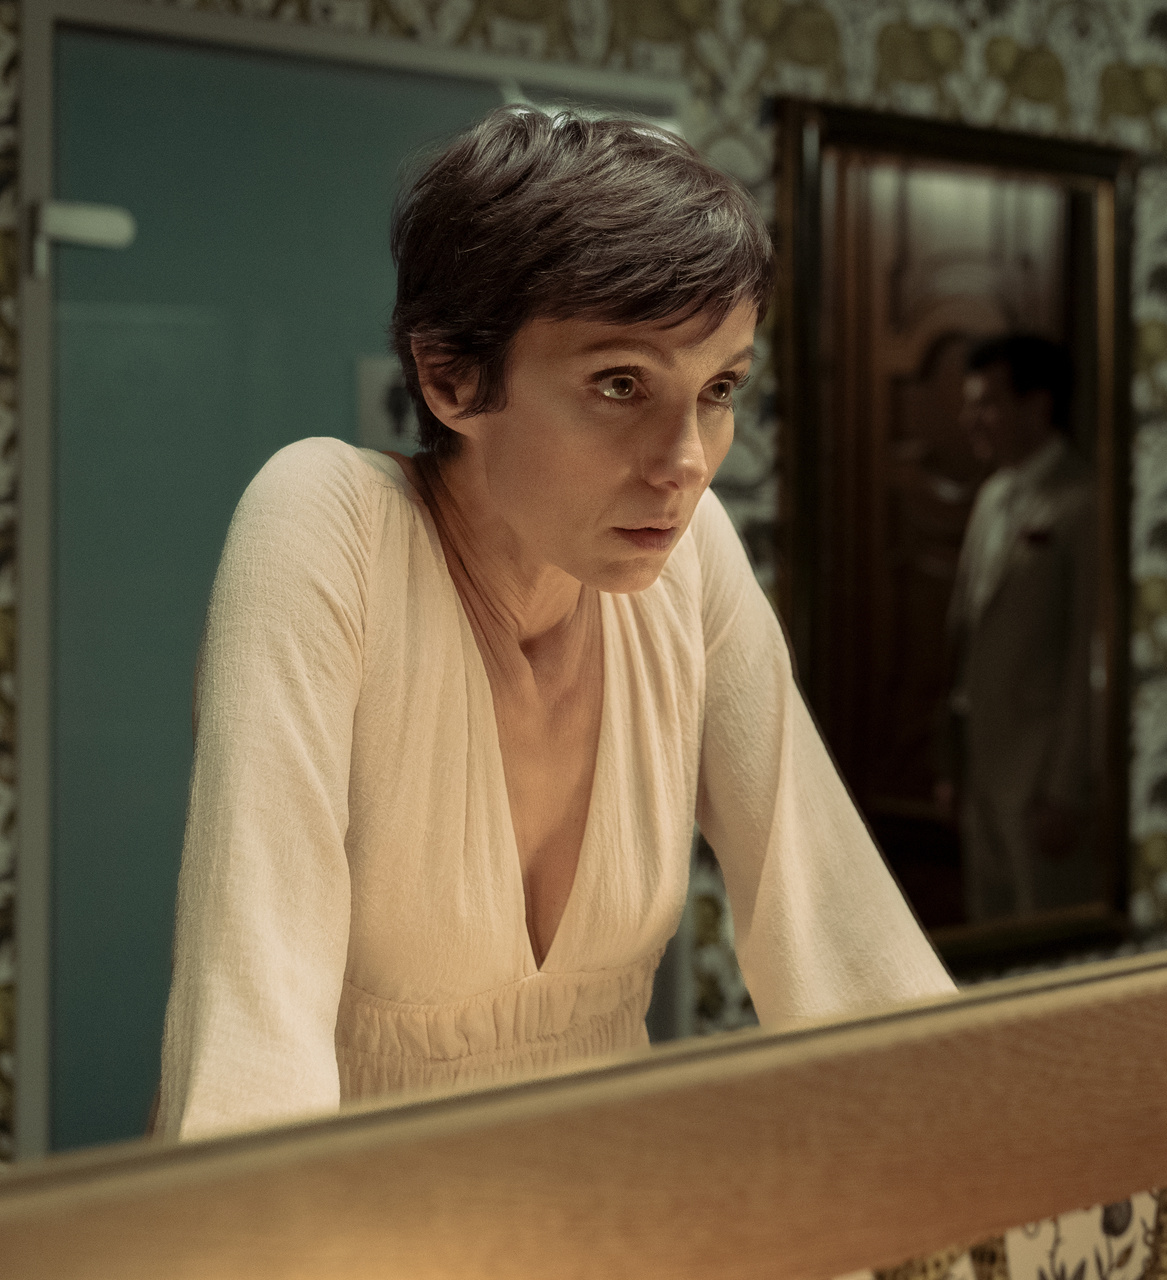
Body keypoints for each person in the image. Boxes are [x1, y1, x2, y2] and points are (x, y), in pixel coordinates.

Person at [155, 106, 953, 1141]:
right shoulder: (324, 523)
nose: (686, 463)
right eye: (620, 383)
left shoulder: (688, 557)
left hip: (607, 1200)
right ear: (450, 375)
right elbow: (251, 1040)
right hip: (351, 1206)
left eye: (718, 389)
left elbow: (843, 943)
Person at [940, 335, 1097, 923]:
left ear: (1038, 405)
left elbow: (1086, 657)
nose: (969, 419)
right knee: (989, 930)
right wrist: (950, 761)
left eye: (986, 403)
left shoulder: (1084, 502)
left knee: (1047, 937)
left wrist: (1065, 790)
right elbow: (963, 638)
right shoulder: (992, 496)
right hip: (981, 770)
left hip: (1039, 781)